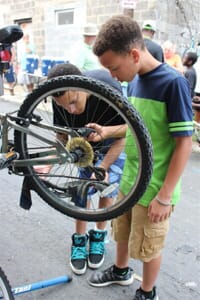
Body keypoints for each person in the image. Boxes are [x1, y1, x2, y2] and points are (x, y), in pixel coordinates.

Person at [87, 15, 193, 300]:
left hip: (155, 187)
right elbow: (138, 126)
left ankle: (148, 291)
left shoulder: (173, 83)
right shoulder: (133, 79)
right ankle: (121, 270)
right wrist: (107, 131)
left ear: (134, 54)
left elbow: (184, 143)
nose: (112, 75)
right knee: (121, 230)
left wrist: (165, 195)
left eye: (113, 68)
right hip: (130, 179)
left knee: (149, 245)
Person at [47, 63, 126, 275]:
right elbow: (61, 136)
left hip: (113, 140)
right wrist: (50, 161)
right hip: (83, 144)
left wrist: (103, 167)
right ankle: (80, 241)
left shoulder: (108, 89)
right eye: (64, 107)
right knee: (81, 190)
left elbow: (127, 132)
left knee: (104, 186)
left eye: (73, 102)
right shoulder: (58, 94)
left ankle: (99, 236)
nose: (71, 110)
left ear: (83, 87)